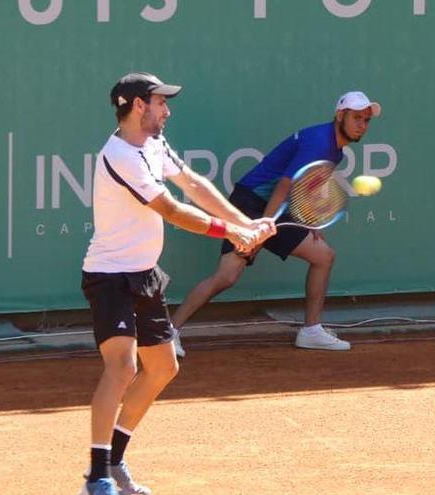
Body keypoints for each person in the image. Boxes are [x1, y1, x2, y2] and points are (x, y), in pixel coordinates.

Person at [79, 72, 274, 495]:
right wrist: (231, 232)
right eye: (160, 102)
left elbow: (192, 185)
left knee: (164, 367)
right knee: (123, 366)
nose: (167, 109)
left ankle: (114, 460)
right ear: (136, 105)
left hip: (145, 274)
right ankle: (97, 477)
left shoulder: (154, 144)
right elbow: (171, 208)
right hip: (110, 276)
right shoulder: (121, 155)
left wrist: (245, 223)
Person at [171, 91, 381, 355]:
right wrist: (262, 227)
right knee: (227, 276)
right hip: (250, 202)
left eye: (366, 120)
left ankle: (311, 331)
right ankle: (169, 332)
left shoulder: (335, 150)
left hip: (276, 207)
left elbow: (306, 187)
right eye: (356, 117)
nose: (362, 124)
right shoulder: (319, 142)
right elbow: (284, 186)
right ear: (340, 115)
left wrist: (311, 222)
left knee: (323, 256)